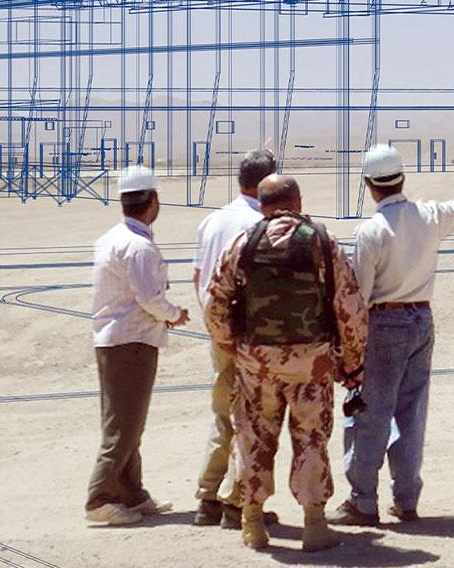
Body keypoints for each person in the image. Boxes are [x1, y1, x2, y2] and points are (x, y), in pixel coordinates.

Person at [329, 144, 454, 526]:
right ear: (402, 178)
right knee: (410, 413)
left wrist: (348, 348)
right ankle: (406, 500)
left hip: (384, 326)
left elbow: (361, 294)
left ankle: (363, 502)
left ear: (370, 185)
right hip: (422, 321)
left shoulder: (371, 231)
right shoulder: (428, 215)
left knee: (371, 413)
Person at [205, 175, 368, 552]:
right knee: (310, 438)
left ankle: (253, 523)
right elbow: (350, 307)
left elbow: (214, 305)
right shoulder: (322, 242)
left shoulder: (242, 242)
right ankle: (314, 524)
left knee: (253, 438)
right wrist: (352, 360)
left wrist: (233, 347)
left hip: (256, 364)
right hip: (311, 364)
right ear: (297, 201)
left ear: (262, 205)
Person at [85, 165, 188, 525]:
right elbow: (149, 299)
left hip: (117, 339)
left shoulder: (112, 238)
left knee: (128, 422)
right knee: (123, 427)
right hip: (131, 341)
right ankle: (100, 498)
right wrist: (174, 314)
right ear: (153, 201)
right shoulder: (139, 246)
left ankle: (131, 492)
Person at [190, 149, 280, 528]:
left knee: (222, 412)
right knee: (252, 418)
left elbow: (199, 278)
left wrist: (215, 326)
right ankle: (237, 502)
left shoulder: (212, 221)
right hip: (248, 334)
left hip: (217, 330)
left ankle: (208, 496)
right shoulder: (259, 223)